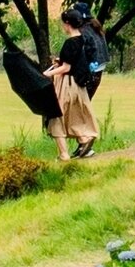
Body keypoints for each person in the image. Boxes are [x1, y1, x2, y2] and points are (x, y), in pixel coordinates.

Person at [45, 10, 101, 161]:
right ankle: (84, 139)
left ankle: (64, 154)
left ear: (67, 23)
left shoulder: (70, 42)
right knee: (74, 114)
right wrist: (60, 61)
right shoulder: (82, 39)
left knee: (56, 116)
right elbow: (74, 61)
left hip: (67, 84)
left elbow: (67, 68)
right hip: (78, 84)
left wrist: (48, 74)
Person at [72, 2, 109, 96]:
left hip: (91, 70)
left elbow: (85, 52)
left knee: (81, 102)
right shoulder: (95, 27)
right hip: (99, 68)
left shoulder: (83, 30)